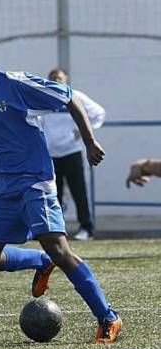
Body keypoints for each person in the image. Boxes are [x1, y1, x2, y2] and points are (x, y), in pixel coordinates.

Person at [0, 40, 121, 344]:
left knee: (59, 249)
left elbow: (68, 98)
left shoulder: (15, 84)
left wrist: (89, 142)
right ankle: (40, 262)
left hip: (34, 180)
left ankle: (108, 317)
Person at [41, 67, 105, 241]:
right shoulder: (43, 98)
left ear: (66, 80)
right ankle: (56, 230)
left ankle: (86, 228)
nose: (56, 80)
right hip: (50, 155)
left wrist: (82, 131)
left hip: (71, 152)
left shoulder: (74, 95)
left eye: (59, 78)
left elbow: (99, 113)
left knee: (79, 192)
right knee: (54, 195)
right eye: (52, 77)